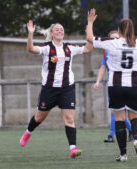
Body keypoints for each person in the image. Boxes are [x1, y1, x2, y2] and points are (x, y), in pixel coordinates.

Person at [87, 7, 137, 162]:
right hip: (136, 85)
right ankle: (136, 138)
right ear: (132, 30)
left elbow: (90, 38)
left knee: (119, 119)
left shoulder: (112, 42)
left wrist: (90, 22)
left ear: (118, 31)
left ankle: (123, 154)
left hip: (116, 86)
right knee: (135, 117)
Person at [19, 20, 93, 159]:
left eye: (62, 29)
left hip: (67, 88)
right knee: (39, 117)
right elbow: (31, 49)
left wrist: (89, 33)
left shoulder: (69, 47)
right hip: (49, 89)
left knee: (69, 118)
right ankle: (28, 132)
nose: (60, 31)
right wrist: (30, 34)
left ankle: (73, 149)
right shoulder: (47, 48)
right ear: (52, 33)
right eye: (57, 30)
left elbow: (88, 49)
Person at [93, 30, 133, 143]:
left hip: (125, 84)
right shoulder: (107, 51)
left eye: (117, 38)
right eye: (112, 38)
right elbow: (103, 67)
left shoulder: (124, 50)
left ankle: (113, 135)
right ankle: (130, 130)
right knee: (115, 110)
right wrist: (97, 81)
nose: (115, 40)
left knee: (117, 111)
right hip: (113, 84)